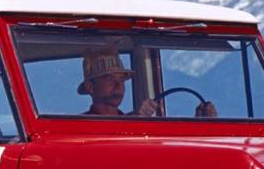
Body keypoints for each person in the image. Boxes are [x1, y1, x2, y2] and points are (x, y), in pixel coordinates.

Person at [77, 49, 217, 118]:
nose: (119, 85)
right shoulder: (80, 128)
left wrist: (201, 123)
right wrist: (137, 120)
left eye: (121, 80)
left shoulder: (136, 124)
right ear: (90, 87)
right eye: (110, 78)